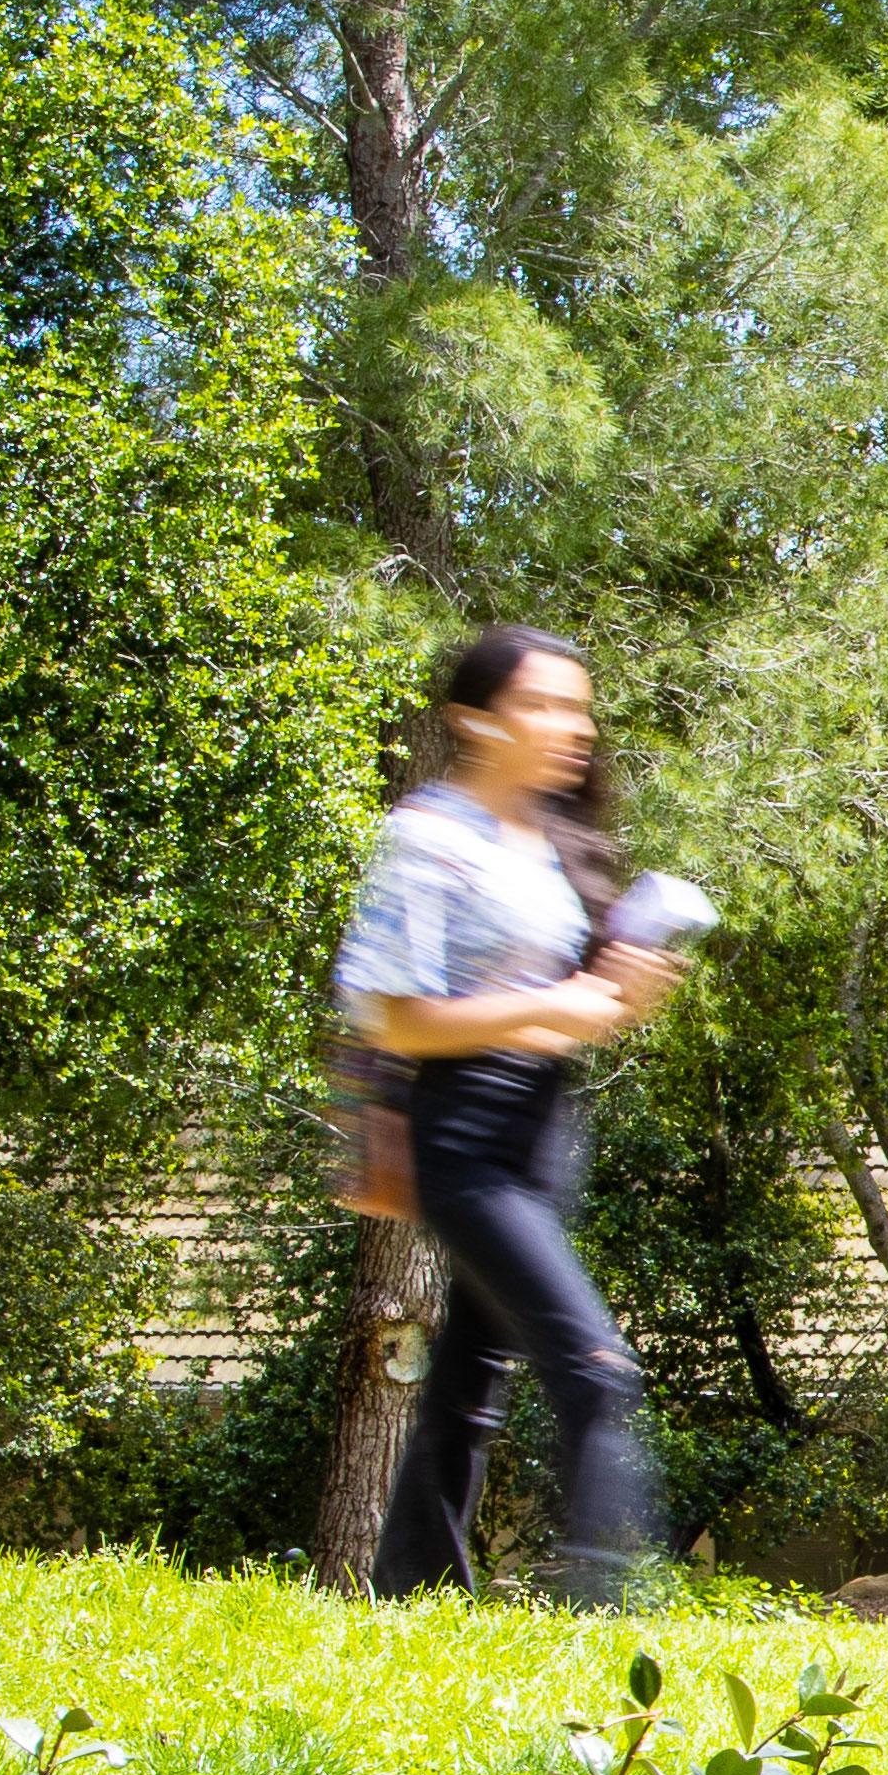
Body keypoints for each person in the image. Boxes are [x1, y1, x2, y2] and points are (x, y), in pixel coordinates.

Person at [335, 624, 682, 1605]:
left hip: (544, 1133)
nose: (571, 726)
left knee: (466, 1383)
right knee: (594, 1366)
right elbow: (393, 1014)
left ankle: (413, 1591)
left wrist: (618, 993)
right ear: (474, 722)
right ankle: (607, 1615)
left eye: (578, 706)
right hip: (469, 1139)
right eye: (542, 704)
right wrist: (550, 1009)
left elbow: (564, 1010)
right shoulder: (429, 839)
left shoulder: (552, 847)